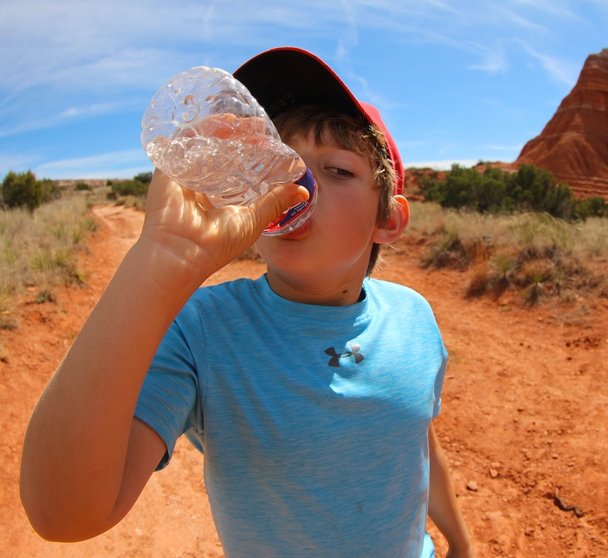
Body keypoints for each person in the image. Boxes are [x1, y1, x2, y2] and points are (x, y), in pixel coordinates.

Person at [19, 47, 473, 558]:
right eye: (278, 163)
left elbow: (414, 443)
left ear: (387, 220)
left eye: (339, 170)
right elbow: (63, 513)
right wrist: (162, 256)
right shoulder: (201, 330)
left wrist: (460, 539)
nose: (298, 185)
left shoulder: (414, 317)